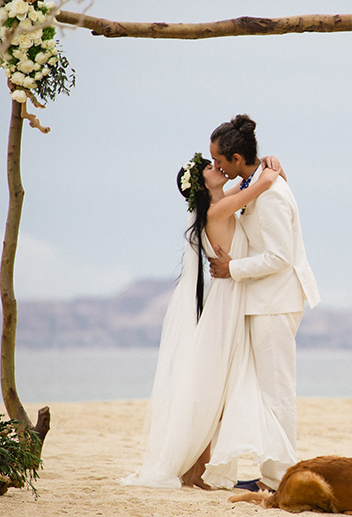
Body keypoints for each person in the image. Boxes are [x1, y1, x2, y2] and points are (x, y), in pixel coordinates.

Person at [122, 152, 287, 490]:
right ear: (200, 184)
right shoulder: (217, 209)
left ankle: (198, 471)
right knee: (214, 389)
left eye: (216, 163)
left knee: (213, 388)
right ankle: (198, 471)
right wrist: (269, 175)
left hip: (230, 298)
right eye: (210, 168)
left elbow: (246, 187)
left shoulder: (222, 202)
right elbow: (260, 186)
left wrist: (260, 171)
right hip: (228, 303)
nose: (217, 168)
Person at [207, 114, 320, 491]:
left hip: (275, 302)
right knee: (267, 390)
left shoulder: (269, 195)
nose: (217, 167)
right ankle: (271, 473)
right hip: (267, 302)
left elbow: (279, 258)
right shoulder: (256, 183)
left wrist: (231, 268)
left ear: (237, 158)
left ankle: (280, 478)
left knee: (277, 391)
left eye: (220, 160)